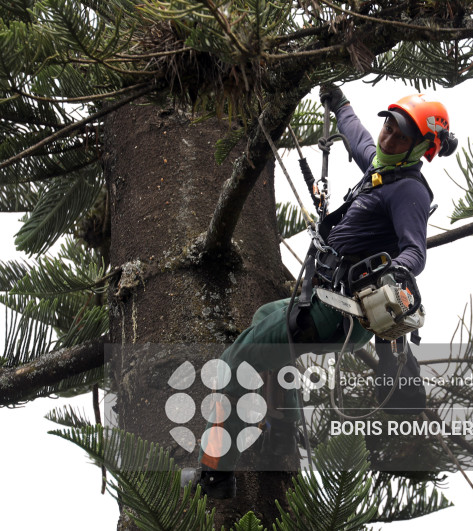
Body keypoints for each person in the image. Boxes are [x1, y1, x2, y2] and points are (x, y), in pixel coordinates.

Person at [189, 86, 458, 499]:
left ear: (420, 147)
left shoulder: (409, 191)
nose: (388, 137)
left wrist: (397, 273)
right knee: (265, 316)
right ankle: (280, 431)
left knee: (231, 364)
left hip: (339, 312)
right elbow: (359, 137)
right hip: (320, 299)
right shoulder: (381, 168)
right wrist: (339, 103)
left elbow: (414, 251)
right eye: (389, 125)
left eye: (401, 136)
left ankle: (214, 474)